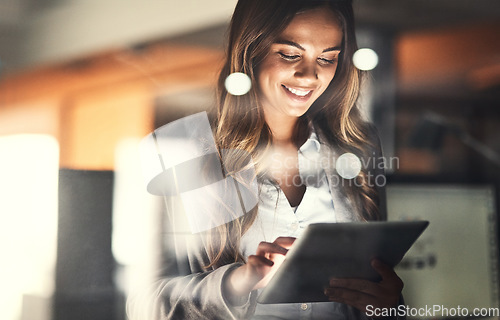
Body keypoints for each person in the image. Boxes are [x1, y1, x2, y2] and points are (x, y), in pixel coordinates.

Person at [128, 0, 404, 319]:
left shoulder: (358, 147)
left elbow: (377, 288)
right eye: (289, 54)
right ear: (251, 50)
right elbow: (143, 303)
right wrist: (237, 282)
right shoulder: (186, 148)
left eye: (327, 58)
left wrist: (387, 305)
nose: (309, 76)